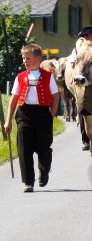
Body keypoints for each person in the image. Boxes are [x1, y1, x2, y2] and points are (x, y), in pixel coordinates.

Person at [4, 44, 59, 192]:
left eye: (28, 58)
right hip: (24, 115)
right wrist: (8, 120)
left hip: (42, 115)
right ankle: (28, 182)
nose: (25, 61)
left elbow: (55, 97)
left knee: (43, 149)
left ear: (38, 58)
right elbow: (14, 100)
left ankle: (44, 171)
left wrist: (51, 116)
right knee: (24, 149)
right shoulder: (20, 77)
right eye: (23, 58)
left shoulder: (48, 76)